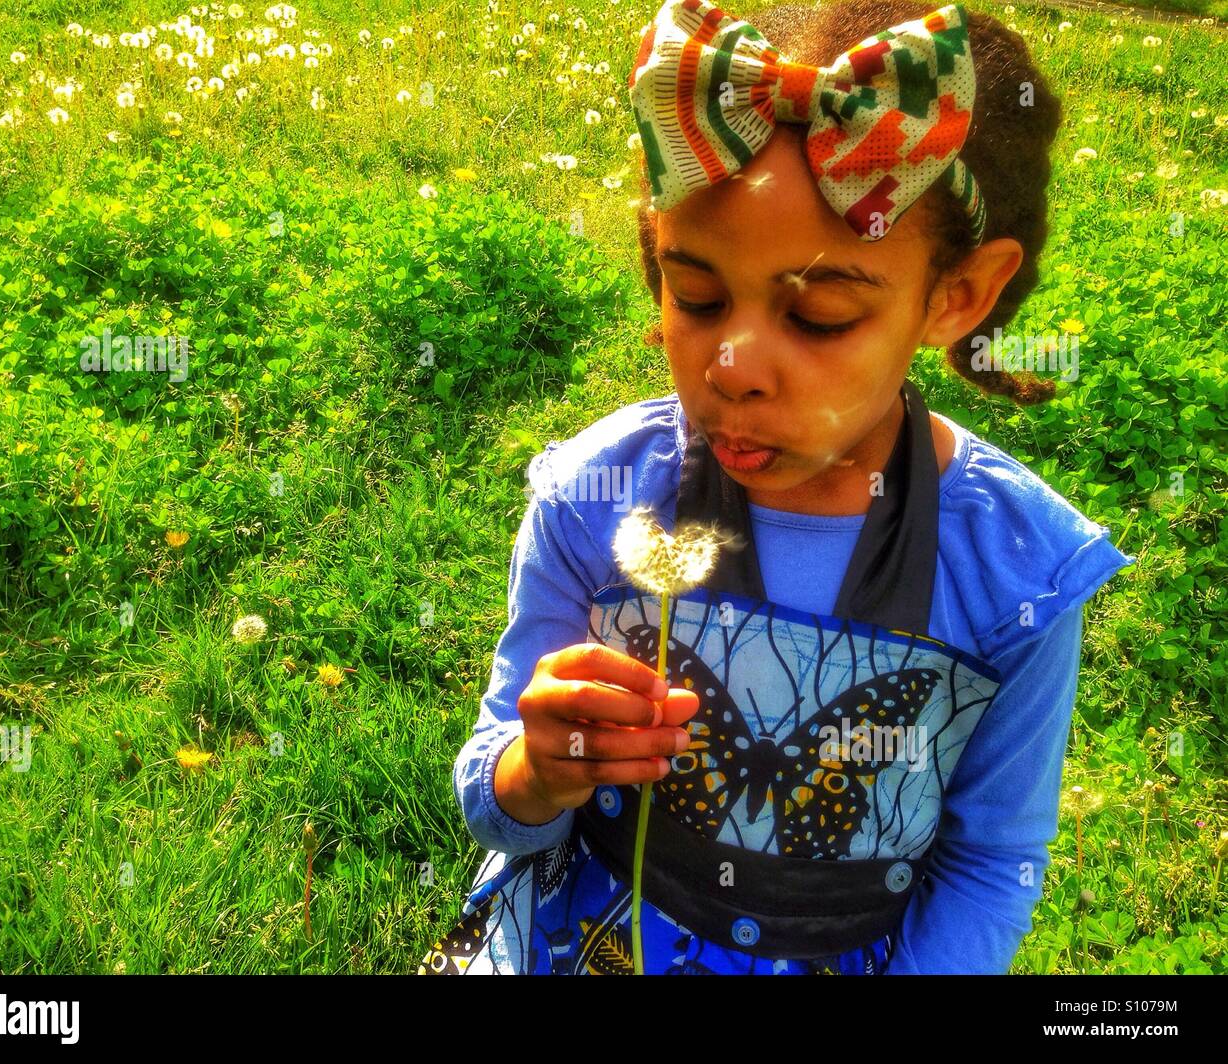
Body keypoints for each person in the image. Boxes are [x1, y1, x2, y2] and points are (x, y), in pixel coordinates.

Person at [418, 0, 1134, 975]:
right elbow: (495, 801)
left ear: (956, 295)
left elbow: (989, 860)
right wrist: (539, 770)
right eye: (698, 297)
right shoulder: (592, 495)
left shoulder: (1013, 574)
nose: (734, 365)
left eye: (822, 313)